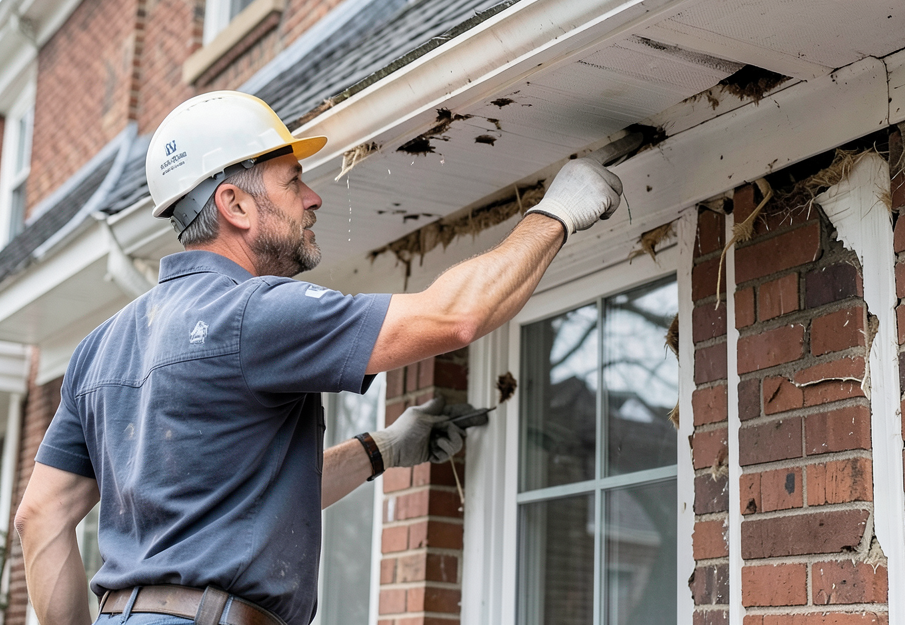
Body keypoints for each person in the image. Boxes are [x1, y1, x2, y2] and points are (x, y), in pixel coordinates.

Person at [14, 91, 624, 625]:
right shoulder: (257, 312)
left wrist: (383, 448)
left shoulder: (101, 347)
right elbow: (455, 317)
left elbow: (40, 517)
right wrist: (558, 212)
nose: (313, 198)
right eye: (291, 180)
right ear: (236, 205)